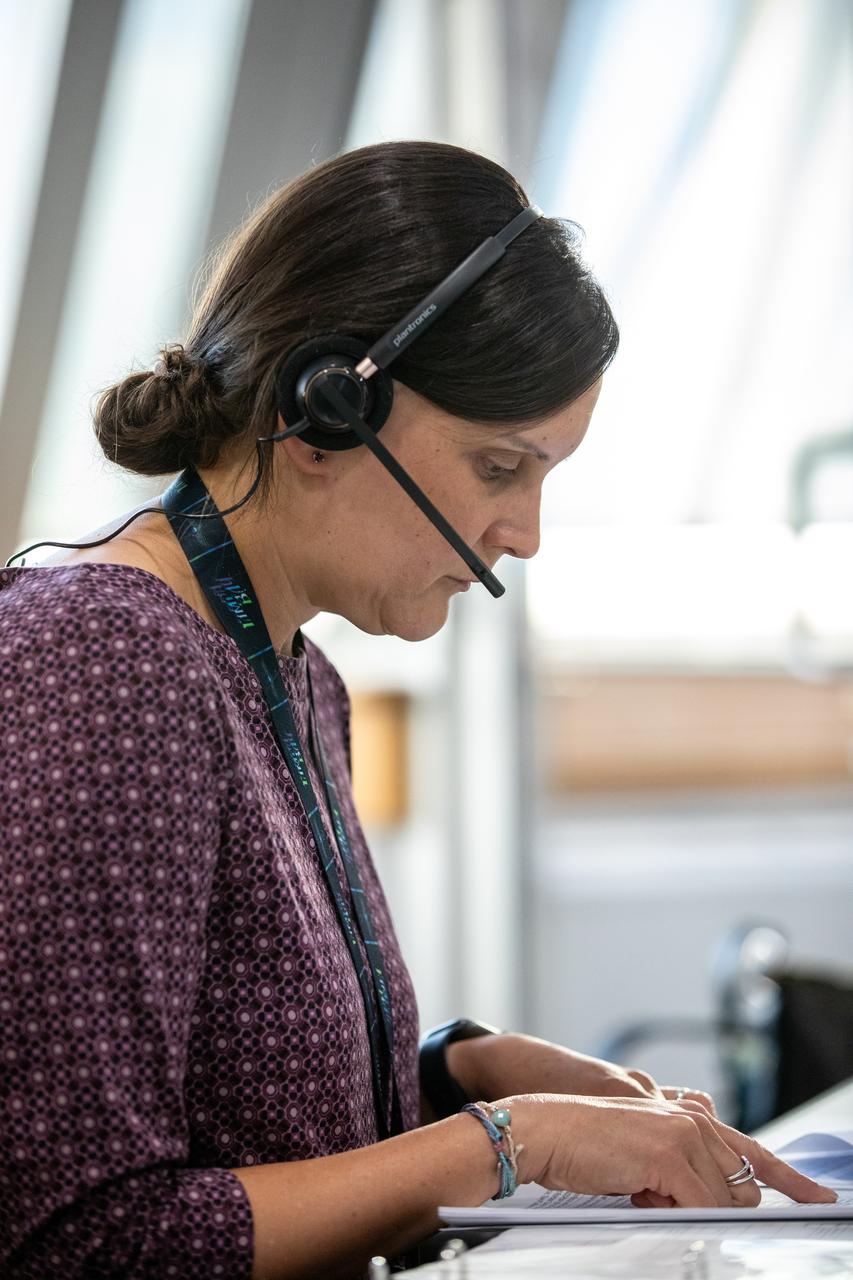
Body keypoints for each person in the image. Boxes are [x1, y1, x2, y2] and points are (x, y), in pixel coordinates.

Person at [0, 140, 835, 1280]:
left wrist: (464, 1073)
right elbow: (81, 1239)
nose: (522, 534)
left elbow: (258, 1123)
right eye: (498, 468)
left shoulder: (297, 678)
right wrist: (511, 1142)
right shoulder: (103, 664)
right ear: (325, 411)